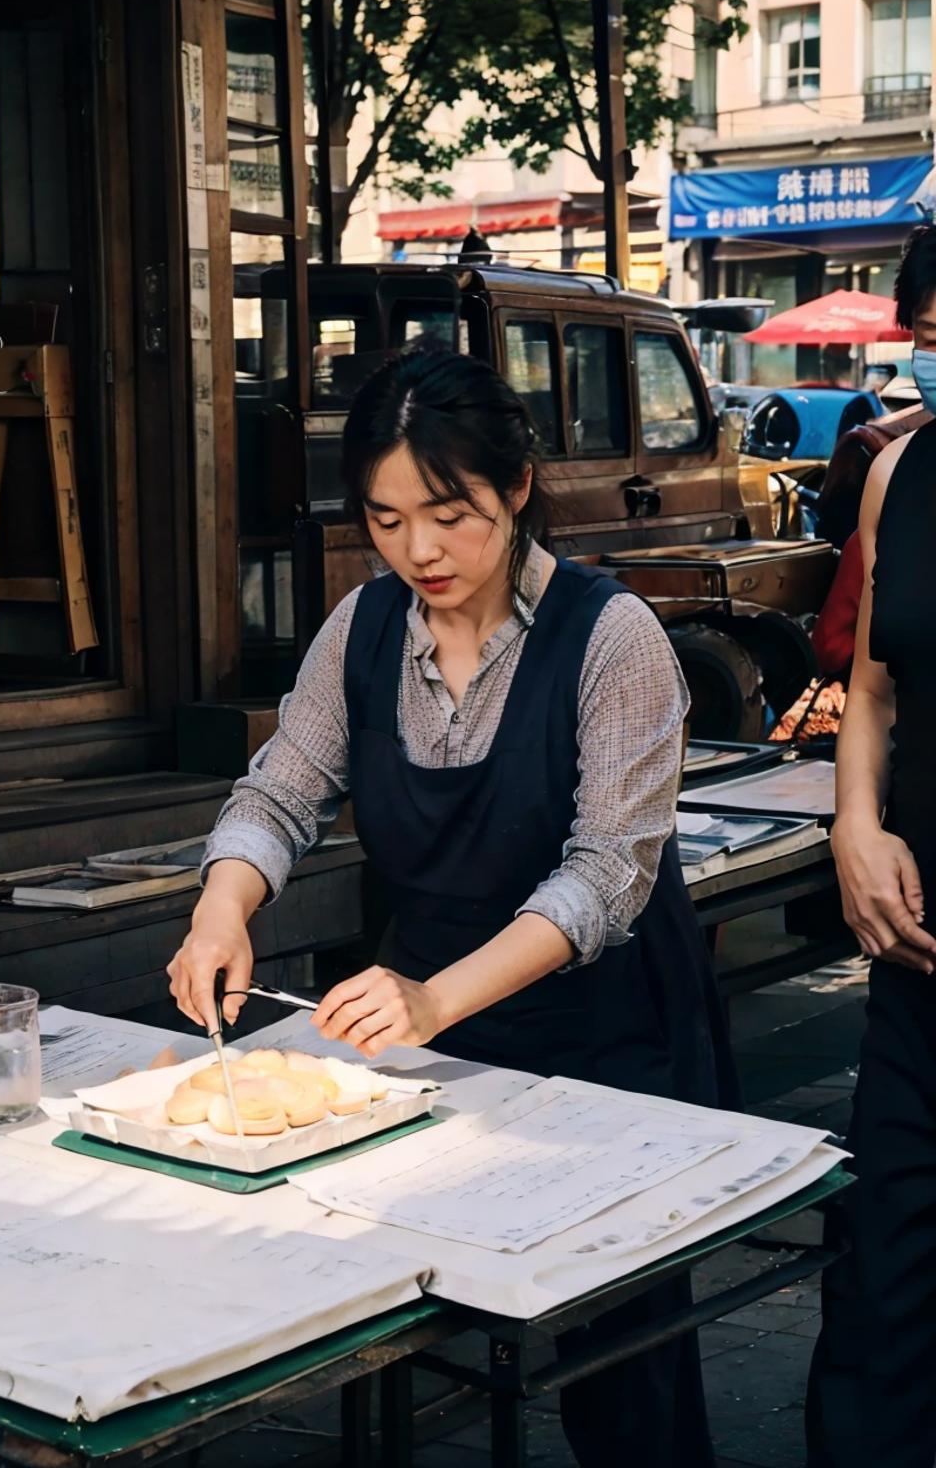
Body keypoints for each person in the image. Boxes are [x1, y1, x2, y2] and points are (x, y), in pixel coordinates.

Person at [170, 347, 737, 1468]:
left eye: (450, 513)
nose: (419, 551)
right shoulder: (366, 629)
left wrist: (434, 997)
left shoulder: (607, 636)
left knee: (621, 1373)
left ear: (515, 489)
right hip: (425, 1040)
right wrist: (219, 909)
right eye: (385, 520)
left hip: (603, 1035)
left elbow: (606, 876)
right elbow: (283, 790)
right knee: (409, 1321)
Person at [806, 224, 936, 1468]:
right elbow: (875, 683)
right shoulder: (910, 473)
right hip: (916, 962)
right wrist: (855, 820)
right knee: (879, 1301)